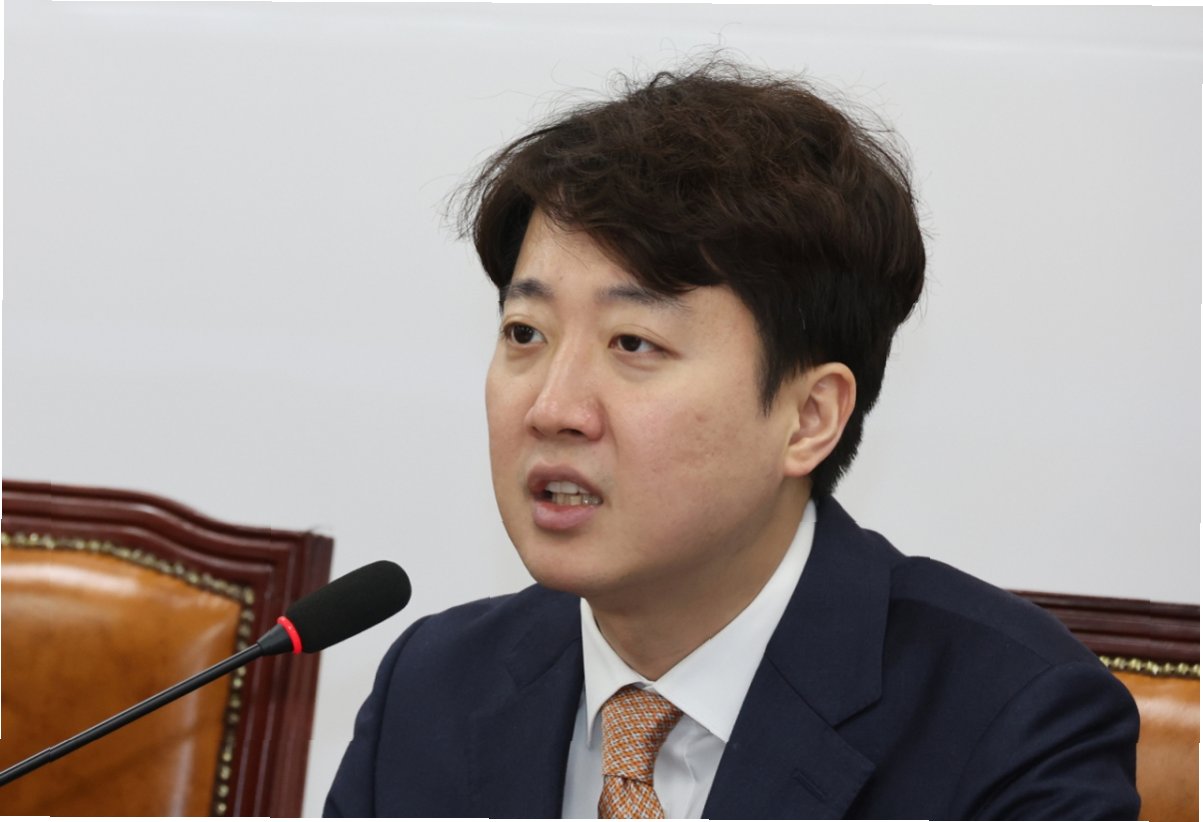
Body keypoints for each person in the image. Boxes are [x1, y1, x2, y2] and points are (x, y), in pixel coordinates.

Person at [325, 60, 1139, 819]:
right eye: (525, 332)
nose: (552, 407)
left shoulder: (1009, 723)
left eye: (633, 343)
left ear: (808, 417)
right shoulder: (433, 687)